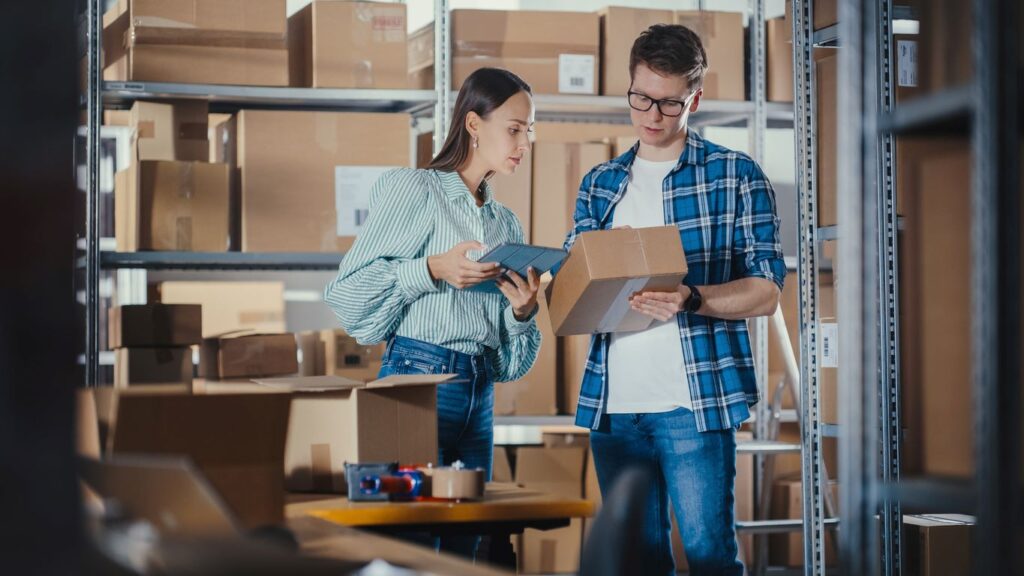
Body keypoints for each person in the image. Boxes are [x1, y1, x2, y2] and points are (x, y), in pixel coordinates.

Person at [560, 24, 786, 575]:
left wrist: (692, 298)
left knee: (710, 558)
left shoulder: (735, 176)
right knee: (635, 562)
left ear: (696, 99)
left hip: (695, 404)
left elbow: (768, 292)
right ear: (629, 87)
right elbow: (573, 284)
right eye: (641, 98)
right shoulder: (601, 183)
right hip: (615, 409)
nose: (652, 115)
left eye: (669, 103)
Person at [323, 67, 542, 560]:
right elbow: (347, 297)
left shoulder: (505, 221)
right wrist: (431, 269)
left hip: (480, 392)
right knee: (411, 546)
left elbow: (511, 364)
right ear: (472, 125)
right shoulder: (414, 190)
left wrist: (523, 313)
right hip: (417, 379)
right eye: (513, 128)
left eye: (529, 130)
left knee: (467, 548)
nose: (524, 142)